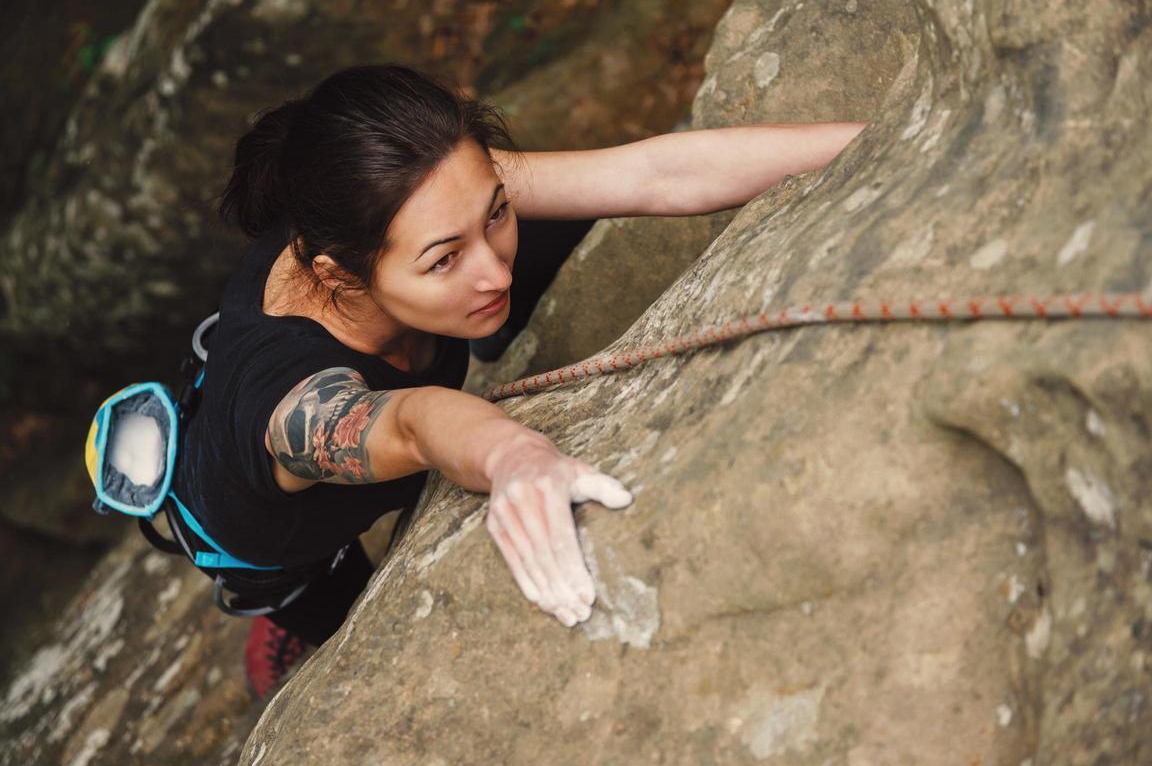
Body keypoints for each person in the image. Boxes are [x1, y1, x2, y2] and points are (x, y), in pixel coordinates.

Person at [174, 63, 866, 699]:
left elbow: (654, 175)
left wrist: (883, 137)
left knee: (537, 236)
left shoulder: (423, 189)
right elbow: (413, 421)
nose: (493, 271)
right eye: (446, 259)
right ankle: (283, 619)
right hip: (275, 539)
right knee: (342, 615)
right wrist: (515, 455)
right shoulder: (289, 410)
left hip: (379, 314)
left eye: (495, 212)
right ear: (335, 274)